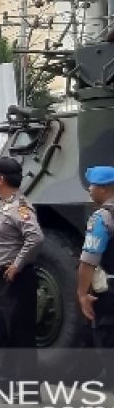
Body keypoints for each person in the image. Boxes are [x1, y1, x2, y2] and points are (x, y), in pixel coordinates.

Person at [0, 156, 43, 387]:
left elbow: (35, 237)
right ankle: (5, 383)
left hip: (16, 280)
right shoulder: (6, 205)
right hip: (2, 280)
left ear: (0, 179)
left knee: (20, 335)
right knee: (3, 331)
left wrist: (17, 264)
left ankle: (27, 387)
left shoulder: (20, 207)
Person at [78, 166, 114, 388]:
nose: (89, 189)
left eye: (92, 185)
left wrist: (82, 293)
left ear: (105, 188)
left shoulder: (103, 218)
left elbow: (89, 259)